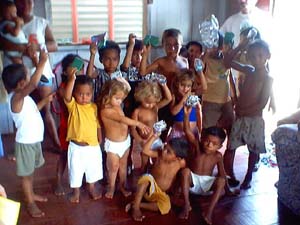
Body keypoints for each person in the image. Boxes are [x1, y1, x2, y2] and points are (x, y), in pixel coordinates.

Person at [0, 0, 60, 150]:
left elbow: (54, 45)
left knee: (45, 109)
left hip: (42, 72)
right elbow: (4, 44)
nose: (25, 5)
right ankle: (23, 145)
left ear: (33, 3)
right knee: (22, 112)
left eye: (29, 1)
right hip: (21, 77)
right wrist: (22, 48)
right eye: (21, 2)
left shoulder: (41, 23)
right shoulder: (7, 24)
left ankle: (56, 143)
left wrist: (39, 47)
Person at [2, 50, 51, 218]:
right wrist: (42, 62)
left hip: (33, 141)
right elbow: (33, 85)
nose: (30, 79)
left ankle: (30, 195)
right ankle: (30, 202)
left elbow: (32, 111)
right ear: (22, 83)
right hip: (26, 143)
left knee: (30, 173)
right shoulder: (16, 98)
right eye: (28, 76)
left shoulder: (23, 99)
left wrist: (45, 101)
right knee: (26, 175)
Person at [223, 39, 273, 189]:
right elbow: (228, 61)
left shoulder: (267, 78)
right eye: (252, 56)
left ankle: (248, 176)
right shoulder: (249, 70)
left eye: (260, 56)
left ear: (267, 56)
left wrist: (243, 111)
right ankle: (228, 175)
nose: (256, 60)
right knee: (231, 146)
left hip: (254, 119)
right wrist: (240, 46)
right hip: (240, 116)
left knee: (253, 149)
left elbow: (262, 103)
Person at [179, 106, 238, 224]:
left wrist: (228, 190)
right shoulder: (197, 147)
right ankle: (186, 205)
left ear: (220, 146)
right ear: (202, 139)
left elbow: (222, 174)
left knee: (221, 180)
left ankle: (209, 213)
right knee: (185, 171)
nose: (209, 145)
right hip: (192, 183)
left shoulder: (217, 156)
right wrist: (186, 115)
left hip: (207, 186)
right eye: (207, 141)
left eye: (214, 144)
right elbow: (187, 131)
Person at [98, 79, 151, 199]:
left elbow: (127, 90)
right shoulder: (106, 110)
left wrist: (122, 81)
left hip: (125, 142)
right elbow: (122, 119)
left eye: (121, 99)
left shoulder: (116, 103)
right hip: (113, 145)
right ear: (108, 95)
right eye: (117, 98)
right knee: (113, 167)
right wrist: (138, 124)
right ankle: (111, 187)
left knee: (123, 166)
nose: (120, 101)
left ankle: (122, 186)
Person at [125, 133, 189, 222]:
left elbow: (183, 174)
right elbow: (145, 151)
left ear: (177, 158)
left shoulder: (181, 163)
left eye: (168, 152)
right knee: (146, 178)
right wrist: (154, 136)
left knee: (166, 207)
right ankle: (136, 208)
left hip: (160, 193)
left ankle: (138, 204)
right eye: (165, 147)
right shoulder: (159, 155)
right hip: (149, 188)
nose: (164, 151)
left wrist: (177, 189)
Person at [64, 71, 103, 203]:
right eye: (80, 94)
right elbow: (67, 95)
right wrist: (71, 80)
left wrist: (99, 135)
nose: (84, 97)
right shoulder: (73, 106)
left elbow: (97, 122)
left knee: (93, 169)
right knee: (75, 170)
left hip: (92, 146)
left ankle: (91, 188)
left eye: (88, 94)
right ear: (74, 94)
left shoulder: (93, 107)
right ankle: (76, 193)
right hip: (76, 147)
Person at [54, 54, 81, 196]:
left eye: (79, 66)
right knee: (64, 154)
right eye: (74, 67)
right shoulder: (63, 87)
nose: (78, 69)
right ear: (65, 72)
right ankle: (58, 181)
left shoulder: (82, 85)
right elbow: (66, 97)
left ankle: (78, 180)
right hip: (67, 126)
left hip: (81, 127)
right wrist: (72, 79)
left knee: (80, 153)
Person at [131, 80, 172, 170]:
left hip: (156, 139)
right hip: (143, 141)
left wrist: (164, 85)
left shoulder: (155, 107)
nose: (150, 105)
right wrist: (140, 140)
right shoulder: (137, 112)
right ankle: (143, 175)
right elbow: (132, 129)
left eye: (153, 102)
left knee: (159, 160)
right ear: (140, 97)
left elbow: (168, 99)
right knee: (144, 163)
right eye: (147, 102)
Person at [201, 32, 234, 134]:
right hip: (210, 100)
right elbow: (199, 67)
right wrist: (207, 52)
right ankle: (205, 148)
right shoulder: (206, 59)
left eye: (218, 45)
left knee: (230, 125)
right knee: (208, 128)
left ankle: (229, 148)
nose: (215, 49)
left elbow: (230, 78)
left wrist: (234, 97)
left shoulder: (225, 59)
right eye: (212, 45)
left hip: (226, 100)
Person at [169, 70, 204, 140]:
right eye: (182, 85)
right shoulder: (174, 97)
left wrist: (200, 129)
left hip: (192, 132)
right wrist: (184, 98)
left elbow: (198, 113)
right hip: (178, 133)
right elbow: (173, 112)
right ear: (177, 84)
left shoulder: (194, 97)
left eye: (188, 86)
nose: (185, 89)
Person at [0, 0, 27, 65]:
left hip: (20, 47)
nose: (13, 15)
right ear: (3, 15)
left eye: (14, 12)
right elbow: (15, 33)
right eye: (9, 13)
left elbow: (21, 27)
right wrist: (18, 23)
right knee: (19, 63)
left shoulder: (12, 22)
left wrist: (21, 23)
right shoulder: (6, 25)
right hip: (13, 51)